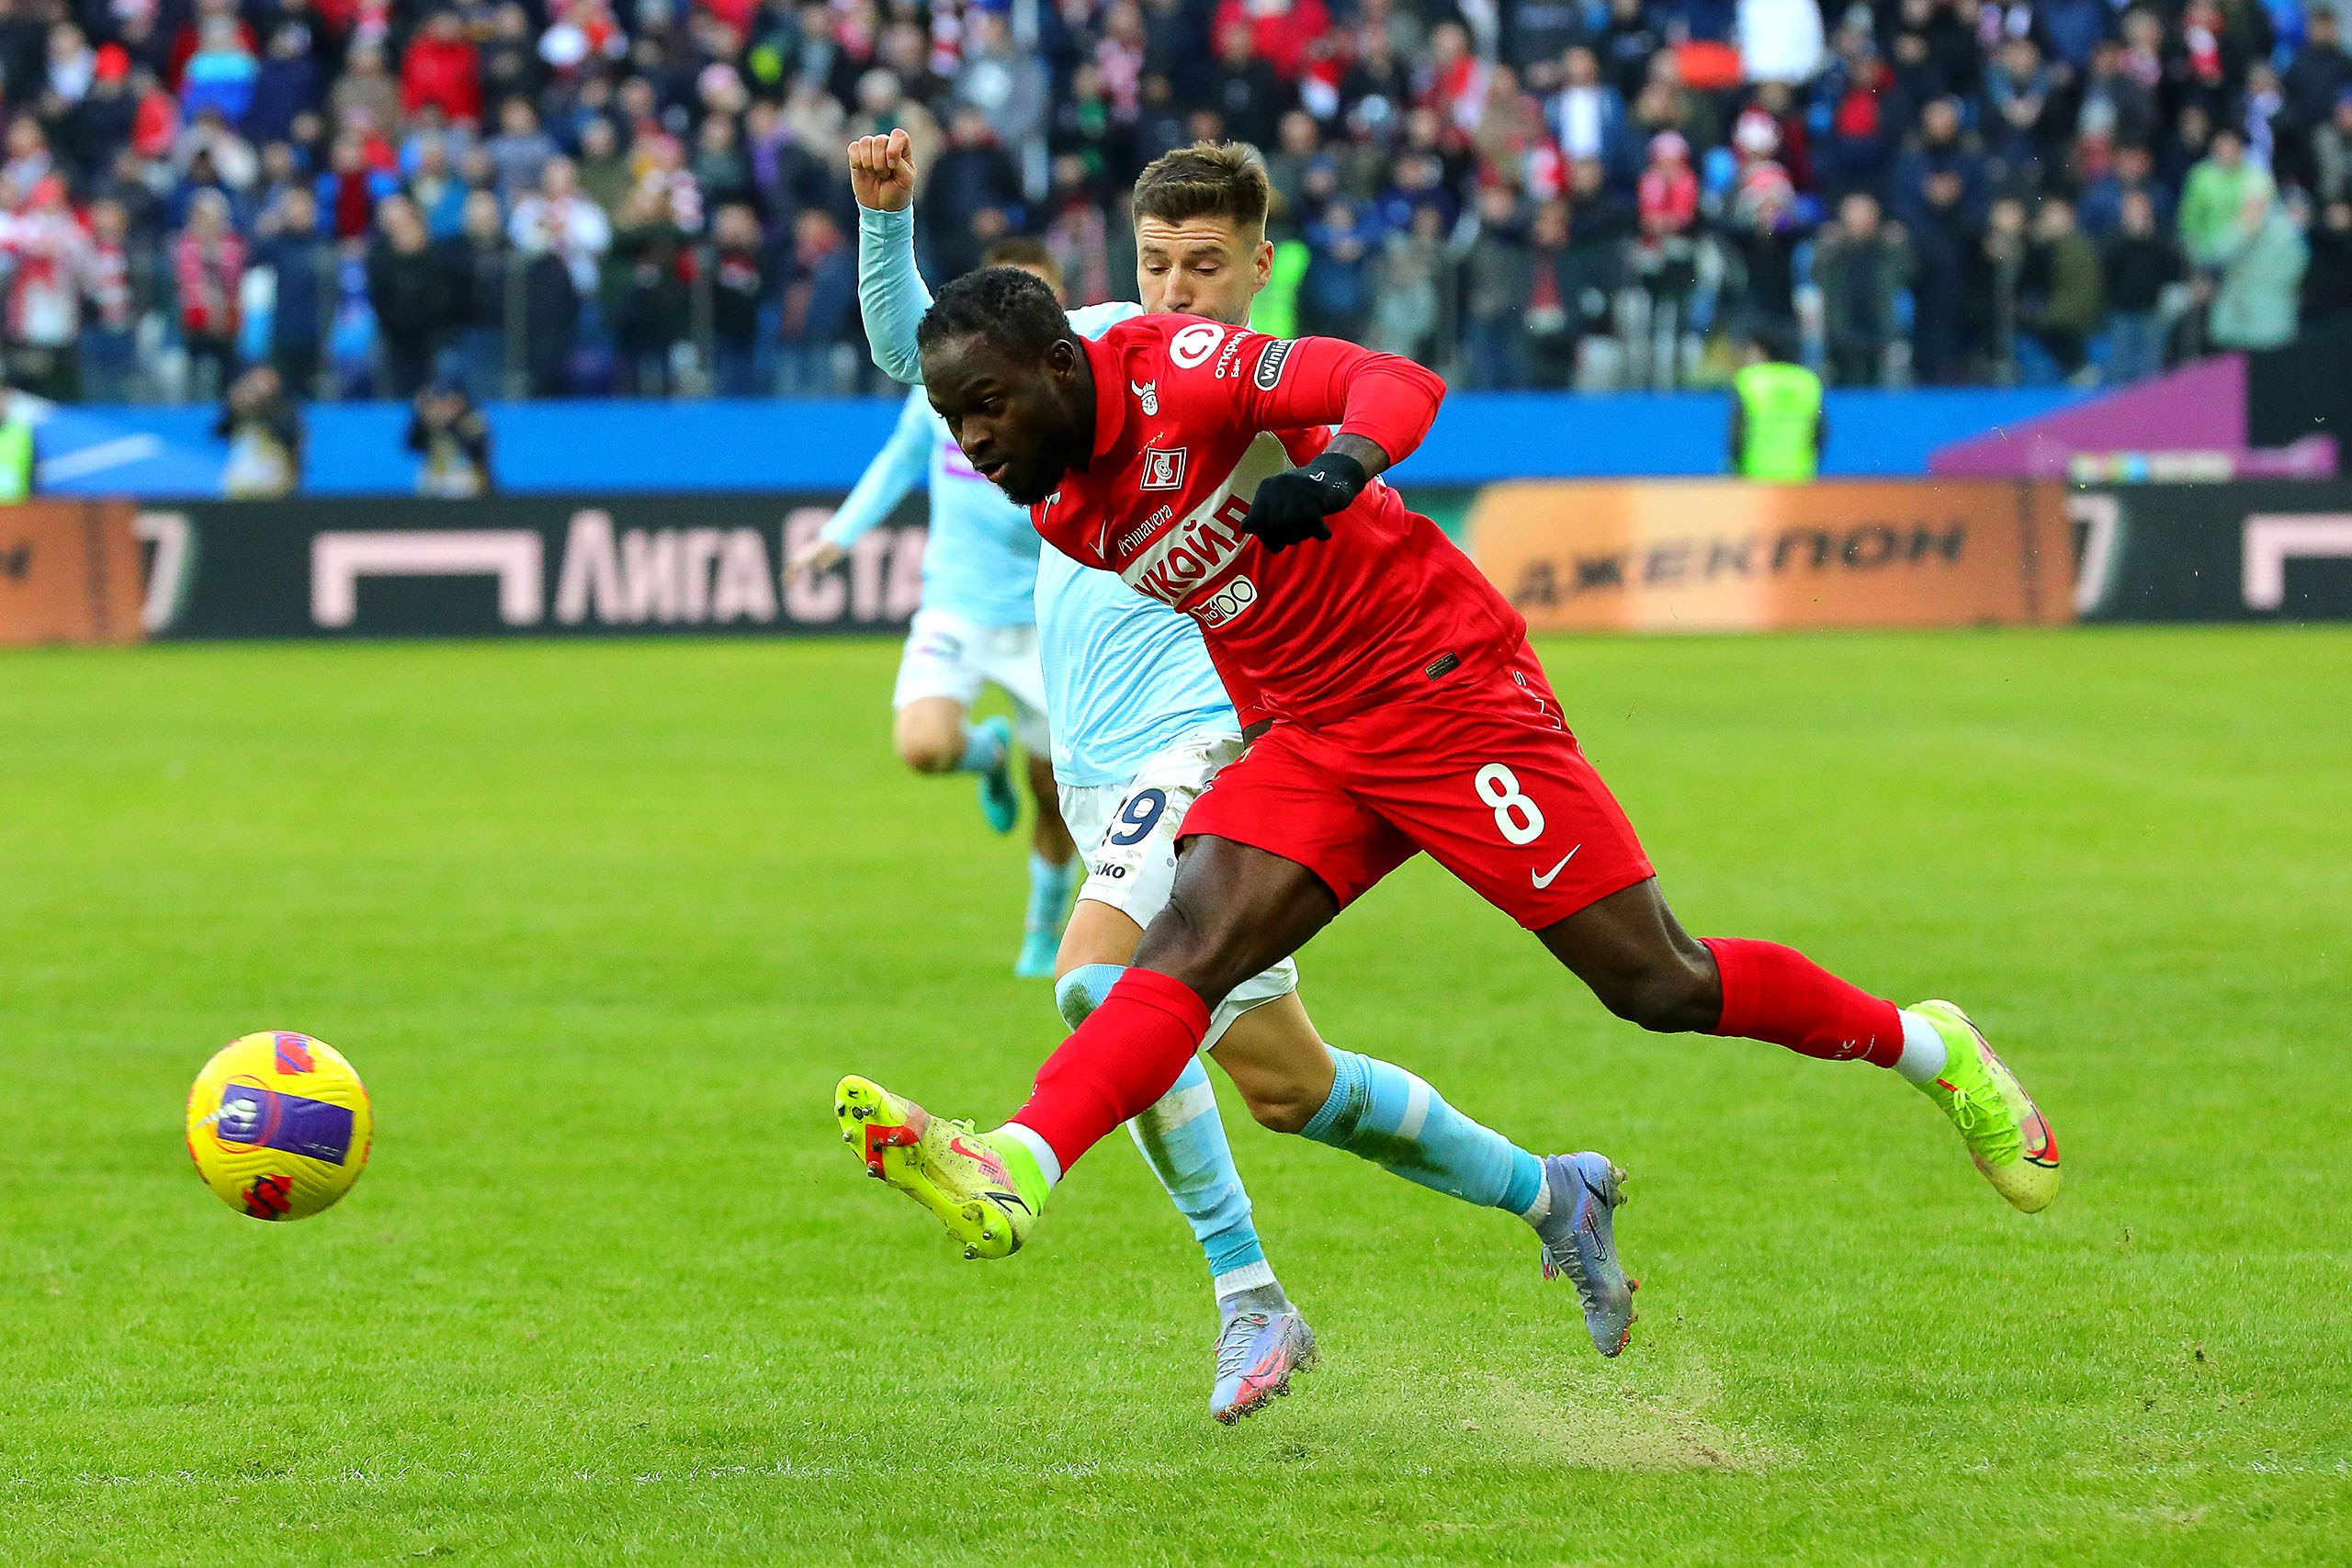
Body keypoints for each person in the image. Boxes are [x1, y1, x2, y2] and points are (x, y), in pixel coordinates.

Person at [832, 145, 2064, 1365]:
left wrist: (1335, 468)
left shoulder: (1187, 371)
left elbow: (1393, 380)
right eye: (955, 421)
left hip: (1444, 696)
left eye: (988, 408)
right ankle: (1015, 1162)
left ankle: (1932, 1047)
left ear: (1062, 364)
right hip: (1313, 739)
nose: (975, 442)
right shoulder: (1056, 497)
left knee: (1658, 983)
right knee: (1182, 952)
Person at [852, 136, 1653, 1417]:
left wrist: (1338, 480)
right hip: (1101, 758)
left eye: (1205, 268)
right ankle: (1554, 1189)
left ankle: (1244, 1292)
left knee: (1097, 982)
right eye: (1157, 263)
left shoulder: (1264, 401)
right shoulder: (1091, 352)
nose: (1176, 292)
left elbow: (1364, 458)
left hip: (1210, 740)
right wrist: (884, 221)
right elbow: (913, 348)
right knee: (1291, 1086)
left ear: (1259, 271)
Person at [786, 236, 1081, 983]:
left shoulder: (1072, 398)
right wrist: (838, 536)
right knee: (922, 745)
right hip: (956, 603)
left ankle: (1045, 927)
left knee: (1056, 796)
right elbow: (896, 462)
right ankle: (984, 755)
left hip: (1048, 621)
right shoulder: (941, 389)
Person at [1727, 325, 1824, 480]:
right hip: (1799, 477)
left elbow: (1736, 435)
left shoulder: (1749, 381)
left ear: (1761, 350)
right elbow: (1821, 433)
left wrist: (1735, 470)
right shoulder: (1807, 381)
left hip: (1755, 476)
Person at [215, 364, 303, 498]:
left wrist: (265, 404)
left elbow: (289, 437)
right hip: (239, 493)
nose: (254, 392)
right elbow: (218, 430)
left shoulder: (286, 417)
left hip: (274, 494)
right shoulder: (239, 420)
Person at [406, 379, 492, 496]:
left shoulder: (472, 420)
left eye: (447, 402)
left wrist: (452, 424)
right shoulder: (426, 423)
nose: (441, 407)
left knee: (460, 481)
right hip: (436, 475)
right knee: (425, 479)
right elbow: (412, 445)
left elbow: (477, 452)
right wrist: (421, 419)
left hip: (464, 474)